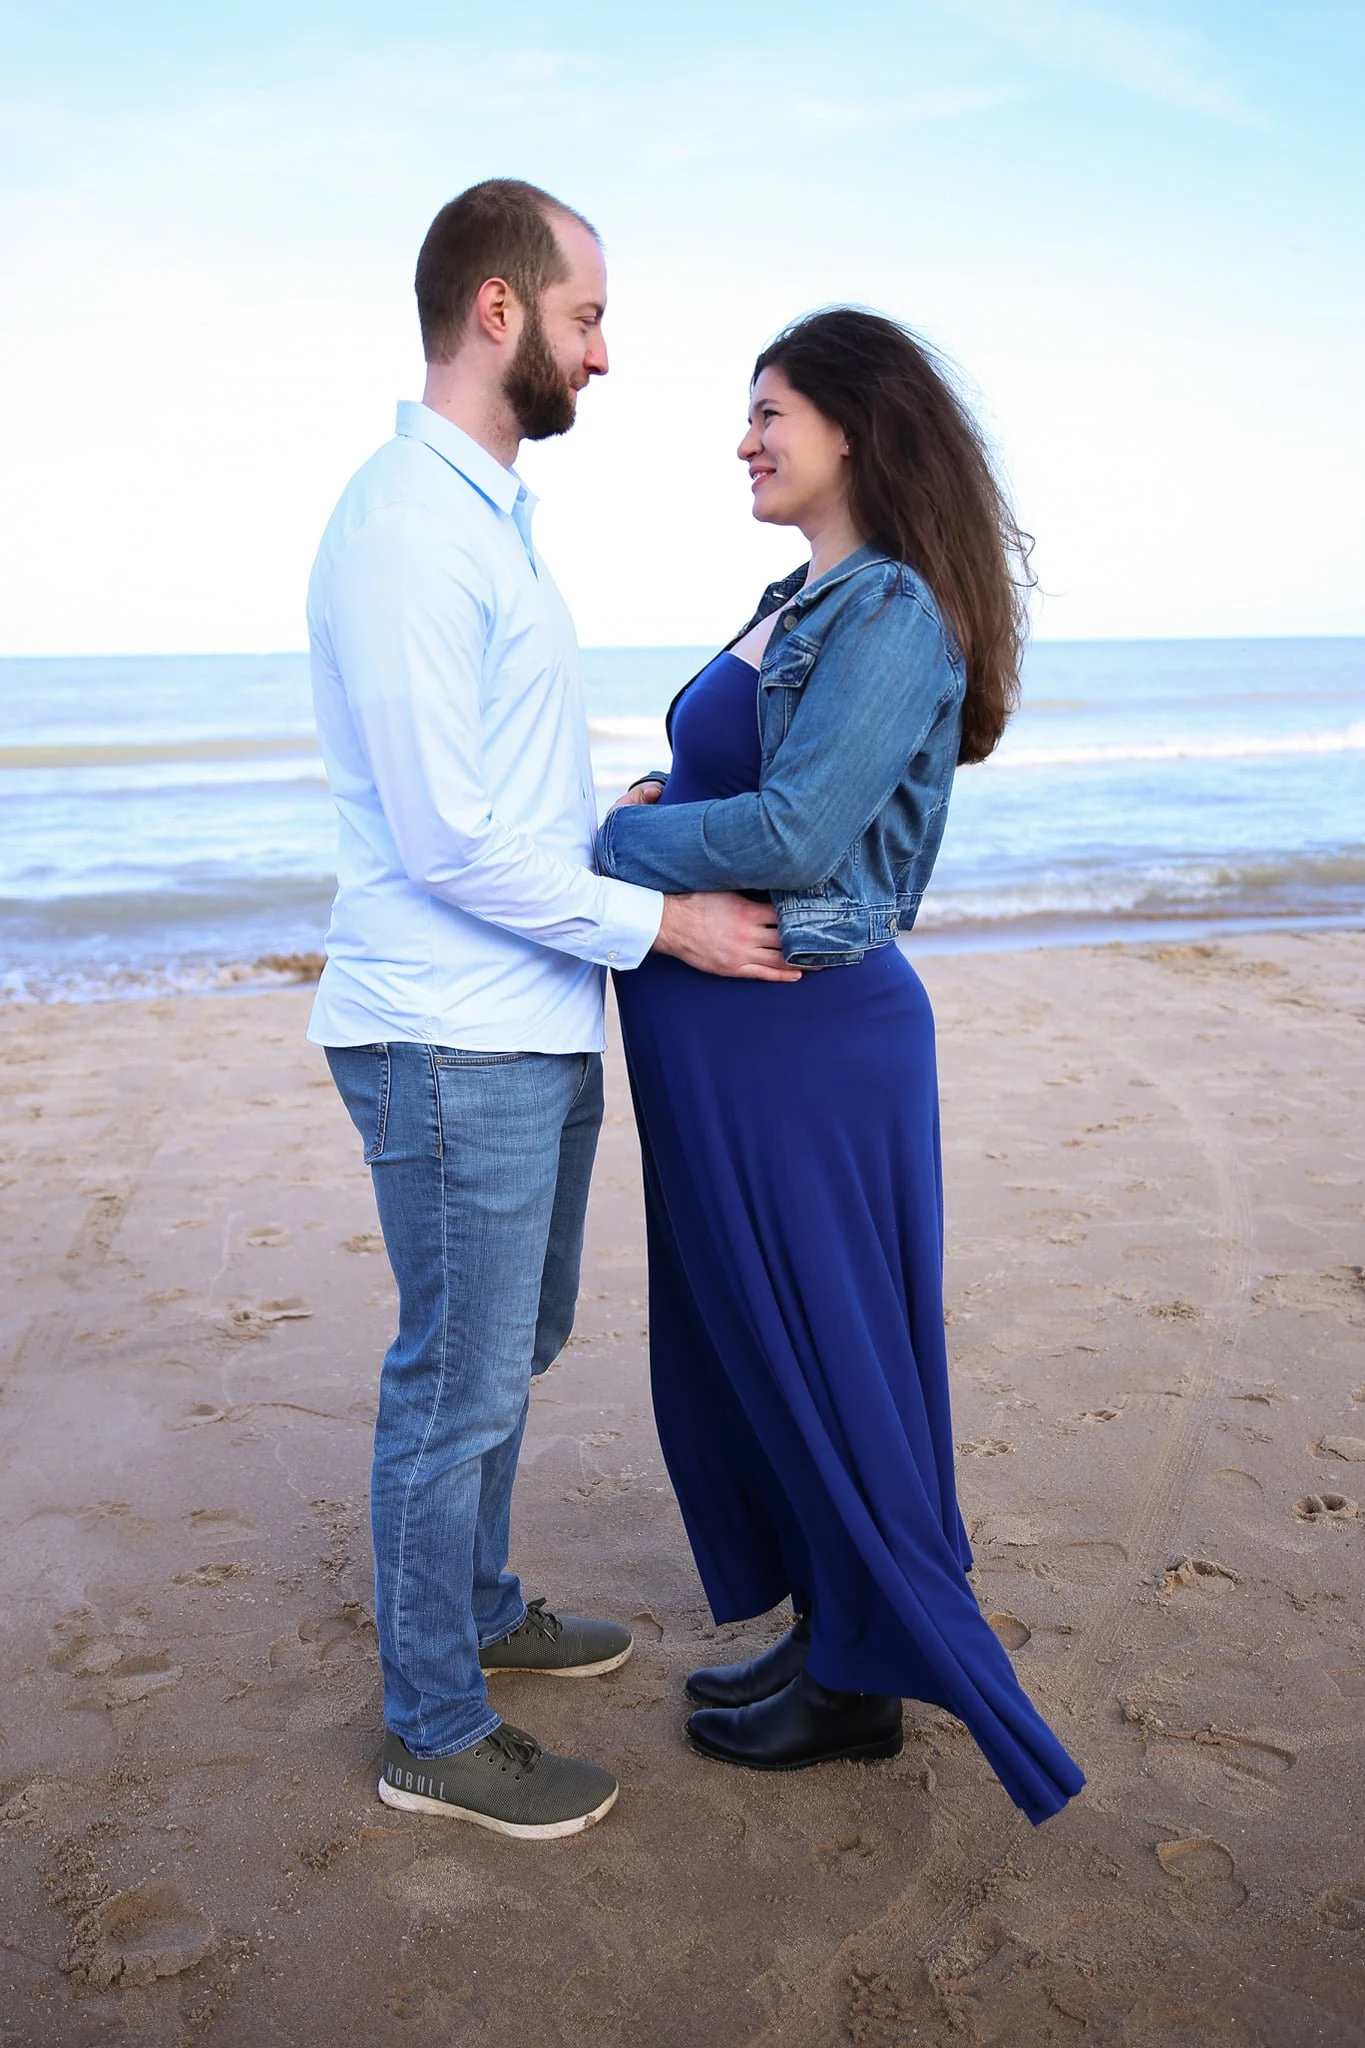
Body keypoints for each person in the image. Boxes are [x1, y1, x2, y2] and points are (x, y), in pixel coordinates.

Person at [306, 179, 797, 1842]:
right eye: (588, 316)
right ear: (501, 312)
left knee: (517, 1349)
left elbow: (505, 810)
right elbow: (447, 840)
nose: (607, 351)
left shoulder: (488, 517)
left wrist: (637, 828)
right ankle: (433, 1725)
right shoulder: (405, 523)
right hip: (449, 1031)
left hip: (522, 1014)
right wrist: (662, 921)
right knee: (459, 1377)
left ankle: (485, 1605)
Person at [597, 308, 1084, 1824]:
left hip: (804, 1037)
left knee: (829, 1348)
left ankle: (865, 1684)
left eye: (771, 413)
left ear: (857, 428)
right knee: (758, 1338)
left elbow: (800, 835)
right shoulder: (792, 596)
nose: (745, 440)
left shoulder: (889, 612)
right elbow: (730, 784)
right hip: (732, 1041)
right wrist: (668, 803)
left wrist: (609, 839)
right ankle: (830, 1639)